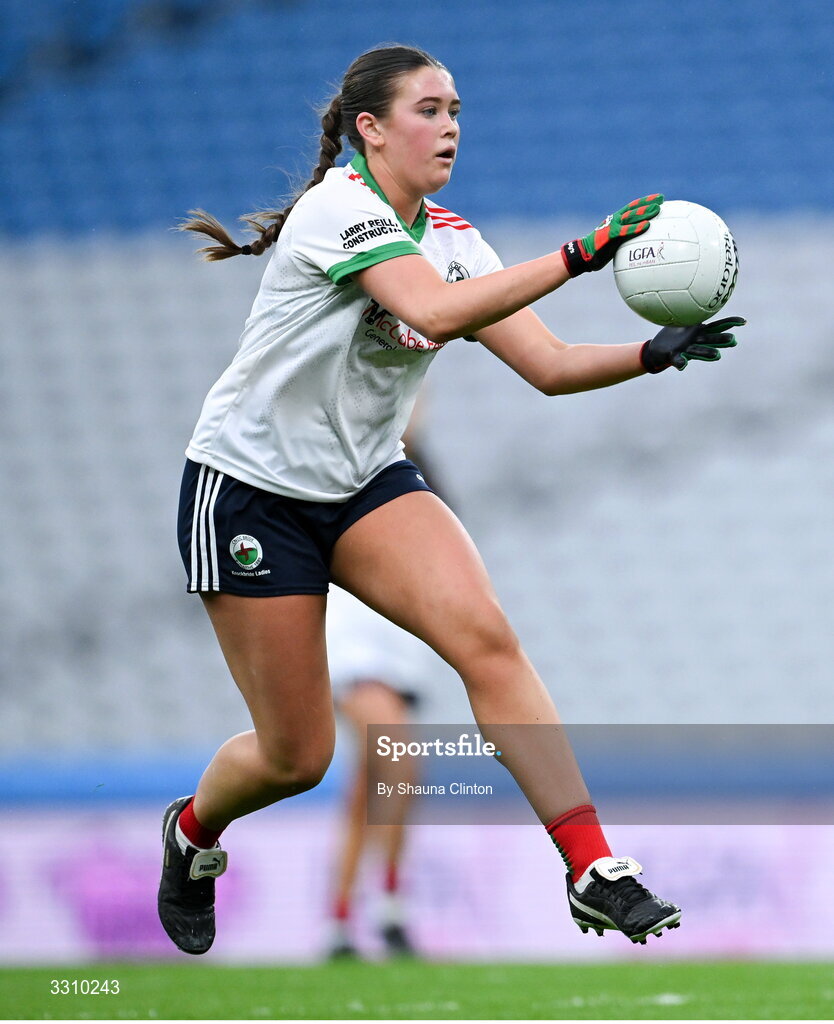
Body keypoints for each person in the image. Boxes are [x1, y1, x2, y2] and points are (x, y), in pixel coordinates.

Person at [158, 43, 745, 955]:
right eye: (429, 110)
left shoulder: (455, 238)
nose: (450, 129)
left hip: (362, 484)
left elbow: (546, 365)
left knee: (487, 637)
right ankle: (192, 834)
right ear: (371, 128)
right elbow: (430, 314)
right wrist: (582, 254)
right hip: (249, 494)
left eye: (458, 112)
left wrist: (647, 354)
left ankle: (593, 867)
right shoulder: (336, 211)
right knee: (296, 758)